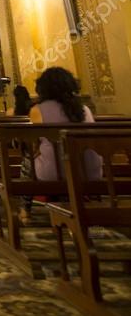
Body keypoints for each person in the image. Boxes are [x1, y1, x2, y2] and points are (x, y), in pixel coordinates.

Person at [20, 67, 102, 223]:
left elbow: (33, 146)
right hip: (89, 172)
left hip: (55, 172)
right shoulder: (84, 109)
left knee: (27, 161)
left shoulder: (37, 110)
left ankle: (25, 210)